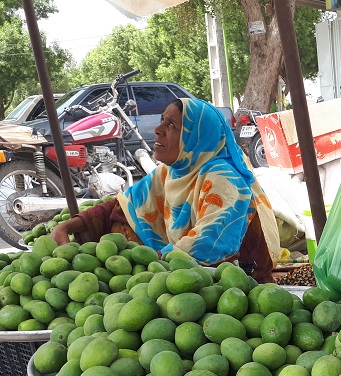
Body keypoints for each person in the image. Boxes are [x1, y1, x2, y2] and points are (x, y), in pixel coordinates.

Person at [51, 98, 280, 283]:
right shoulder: (173, 171)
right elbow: (126, 205)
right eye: (162, 121)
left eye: (172, 126)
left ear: (197, 137)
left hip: (239, 286)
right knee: (123, 223)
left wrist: (146, 268)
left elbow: (211, 244)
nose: (158, 130)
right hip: (181, 279)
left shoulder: (223, 177)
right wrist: (69, 225)